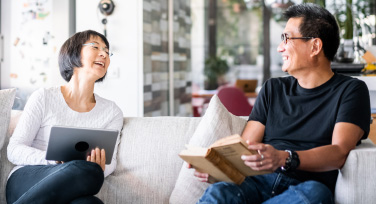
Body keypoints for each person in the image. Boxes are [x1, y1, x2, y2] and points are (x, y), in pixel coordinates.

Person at [192, 3, 371, 204]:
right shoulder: (272, 89)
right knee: (220, 191)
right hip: (257, 183)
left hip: (305, 186)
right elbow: (246, 148)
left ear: (315, 46)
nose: (280, 47)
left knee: (316, 194)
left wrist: (285, 157)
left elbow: (338, 152)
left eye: (287, 38)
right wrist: (220, 168)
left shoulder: (351, 91)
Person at [6, 30, 123, 204]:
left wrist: (100, 166)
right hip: (29, 178)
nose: (104, 54)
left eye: (107, 51)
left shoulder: (112, 112)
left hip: (79, 179)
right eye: (96, 47)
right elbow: (14, 149)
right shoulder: (44, 97)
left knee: (90, 202)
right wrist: (53, 160)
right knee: (87, 171)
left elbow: (110, 162)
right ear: (74, 52)